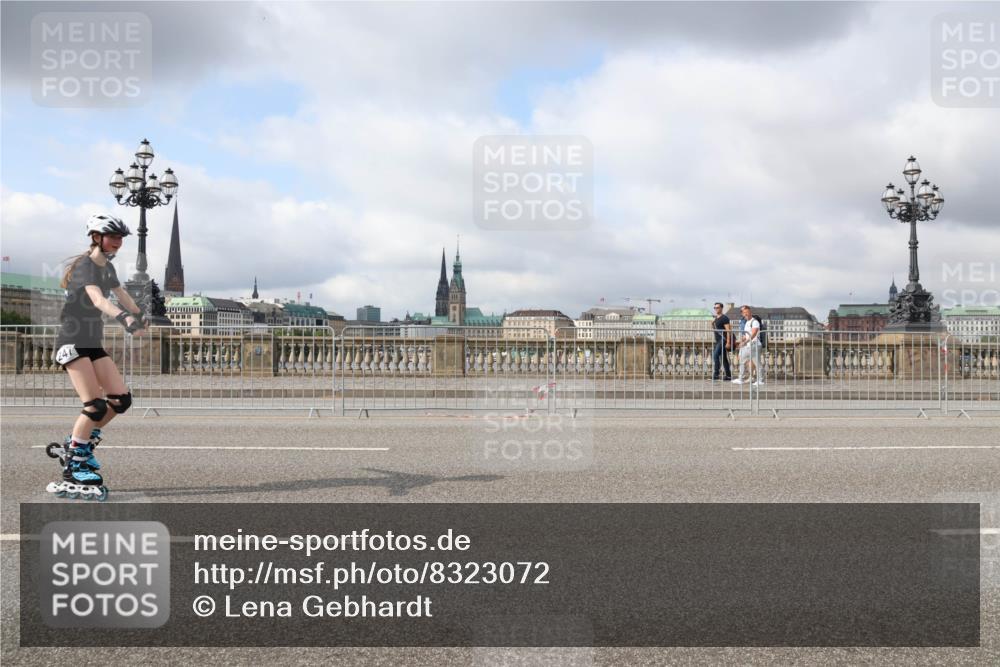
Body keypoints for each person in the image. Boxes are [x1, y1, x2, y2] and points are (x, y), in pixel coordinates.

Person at [46, 213, 148, 501]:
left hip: (92, 342)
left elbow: (120, 293)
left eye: (120, 238)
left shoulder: (107, 269)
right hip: (72, 341)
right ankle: (74, 464)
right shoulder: (86, 267)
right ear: (96, 237)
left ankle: (79, 443)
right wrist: (124, 317)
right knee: (94, 406)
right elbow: (98, 299)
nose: (118, 242)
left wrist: (140, 315)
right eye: (113, 237)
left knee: (121, 400)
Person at [732, 305, 763, 386]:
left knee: (757, 363)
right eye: (744, 313)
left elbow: (753, 334)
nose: (746, 314)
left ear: (750, 312)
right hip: (748, 345)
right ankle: (740, 378)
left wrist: (745, 342)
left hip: (754, 345)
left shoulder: (755, 322)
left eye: (747, 312)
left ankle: (760, 380)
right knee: (741, 360)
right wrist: (741, 341)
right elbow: (746, 335)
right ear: (742, 314)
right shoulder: (746, 323)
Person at [711, 302, 732, 381]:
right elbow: (715, 329)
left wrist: (728, 342)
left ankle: (716, 374)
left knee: (715, 355)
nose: (716, 309)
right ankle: (728, 376)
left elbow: (728, 331)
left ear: (721, 308)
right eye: (715, 308)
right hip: (718, 340)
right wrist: (712, 324)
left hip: (723, 339)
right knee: (723, 358)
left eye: (717, 307)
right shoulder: (716, 318)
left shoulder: (724, 318)